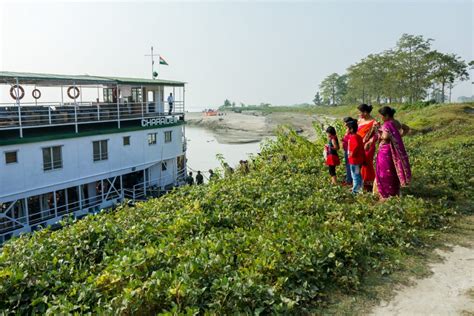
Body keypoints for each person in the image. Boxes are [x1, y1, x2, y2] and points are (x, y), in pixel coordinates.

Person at [375, 106, 411, 200]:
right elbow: (406, 128)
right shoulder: (397, 122)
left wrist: (379, 131)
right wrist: (399, 136)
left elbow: (386, 136)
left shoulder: (387, 124)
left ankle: (386, 194)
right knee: (393, 171)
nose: (381, 118)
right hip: (393, 151)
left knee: (385, 172)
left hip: (386, 151)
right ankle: (395, 192)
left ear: (386, 116)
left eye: (382, 116)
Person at [357, 103, 379, 191]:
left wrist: (370, 141)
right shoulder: (360, 120)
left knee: (367, 163)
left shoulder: (374, 122)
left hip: (368, 145)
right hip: (359, 145)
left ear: (365, 112)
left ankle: (368, 184)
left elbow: (377, 135)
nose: (359, 114)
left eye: (360, 112)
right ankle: (361, 183)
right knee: (359, 164)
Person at [347, 120, 365, 194]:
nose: (346, 130)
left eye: (347, 128)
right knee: (357, 175)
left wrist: (351, 154)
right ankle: (359, 188)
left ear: (351, 129)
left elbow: (356, 146)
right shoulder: (358, 136)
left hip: (354, 161)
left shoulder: (353, 137)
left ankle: (356, 191)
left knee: (355, 176)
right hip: (358, 160)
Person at [342, 117, 355, 186]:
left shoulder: (351, 132)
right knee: (348, 165)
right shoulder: (350, 131)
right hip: (347, 149)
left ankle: (350, 180)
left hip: (349, 150)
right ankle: (349, 179)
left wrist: (346, 135)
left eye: (345, 123)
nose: (344, 125)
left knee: (349, 165)